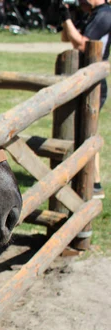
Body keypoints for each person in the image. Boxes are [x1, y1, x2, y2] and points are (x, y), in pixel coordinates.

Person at [60, 0, 110, 199]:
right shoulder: (91, 14)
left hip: (94, 81)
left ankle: (94, 183)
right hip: (83, 79)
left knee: (87, 133)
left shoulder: (105, 14)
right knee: (82, 132)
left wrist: (66, 16)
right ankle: (88, 180)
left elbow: (81, 44)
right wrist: (66, 16)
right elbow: (67, 38)